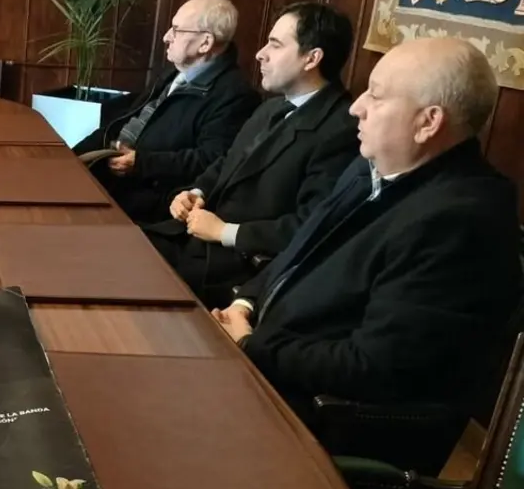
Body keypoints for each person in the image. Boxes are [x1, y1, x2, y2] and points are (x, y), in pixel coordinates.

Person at [213, 37, 520, 431]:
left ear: (428, 122)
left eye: (375, 96)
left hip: (312, 419)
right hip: (263, 368)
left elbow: (374, 366)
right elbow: (296, 255)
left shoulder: (460, 221)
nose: (356, 108)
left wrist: (251, 345)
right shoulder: (368, 169)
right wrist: (245, 305)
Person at [145, 2, 359, 308]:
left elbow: (312, 225)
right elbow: (227, 162)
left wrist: (225, 232)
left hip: (234, 267)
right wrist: (194, 192)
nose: (260, 53)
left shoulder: (340, 130)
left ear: (312, 58)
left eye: (275, 44)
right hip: (189, 238)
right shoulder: (272, 106)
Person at [73, 0, 259, 225]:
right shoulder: (174, 72)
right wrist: (69, 157)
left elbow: (210, 160)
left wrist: (141, 163)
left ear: (205, 43)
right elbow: (123, 121)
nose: (166, 37)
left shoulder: (235, 96)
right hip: (108, 170)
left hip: (145, 197)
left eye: (177, 30)